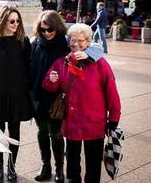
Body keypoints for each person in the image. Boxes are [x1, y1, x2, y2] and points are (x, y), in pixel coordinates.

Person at [30, 11, 103, 183]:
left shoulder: (65, 43)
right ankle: (45, 165)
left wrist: (89, 53)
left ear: (57, 27)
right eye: (43, 29)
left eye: (50, 30)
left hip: (59, 98)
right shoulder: (35, 43)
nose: (46, 33)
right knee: (42, 132)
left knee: (56, 134)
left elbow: (96, 47)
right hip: (39, 95)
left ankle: (59, 169)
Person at [42, 23, 121, 183]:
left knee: (93, 164)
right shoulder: (62, 62)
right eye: (72, 40)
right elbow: (48, 85)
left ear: (88, 42)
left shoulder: (100, 64)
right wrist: (51, 81)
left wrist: (113, 119)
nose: (75, 44)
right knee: (72, 163)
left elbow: (112, 92)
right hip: (72, 121)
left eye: (80, 40)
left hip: (94, 121)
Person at [0, 5, 32, 182]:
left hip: (16, 94)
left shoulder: (24, 42)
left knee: (14, 132)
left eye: (18, 21)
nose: (15, 24)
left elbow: (28, 68)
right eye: (12, 21)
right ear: (3, 20)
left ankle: (11, 167)